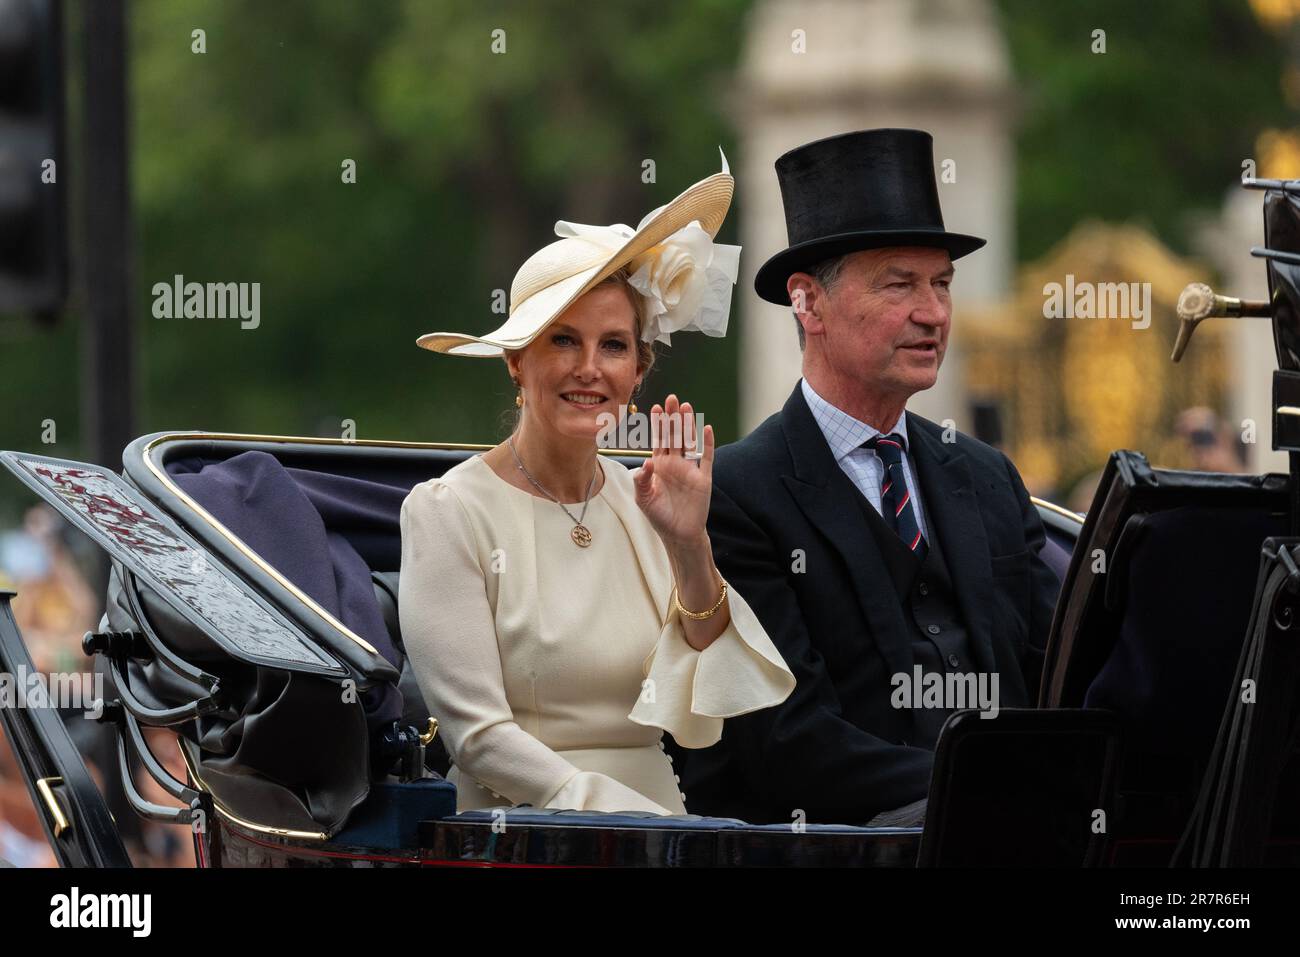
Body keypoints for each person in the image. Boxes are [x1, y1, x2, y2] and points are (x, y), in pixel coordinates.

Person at [678, 129, 1061, 826]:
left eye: (942, 283)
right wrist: (977, 786)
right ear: (809, 303)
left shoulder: (987, 478)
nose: (934, 312)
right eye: (900, 284)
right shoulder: (736, 493)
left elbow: (1064, 667)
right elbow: (784, 741)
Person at [400, 159, 795, 815]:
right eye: (563, 340)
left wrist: (690, 544)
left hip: (664, 827)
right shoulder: (448, 513)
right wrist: (614, 814)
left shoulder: (650, 501)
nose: (590, 369)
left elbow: (710, 705)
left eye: (613, 345)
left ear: (638, 370)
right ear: (516, 360)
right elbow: (480, 738)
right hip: (521, 834)